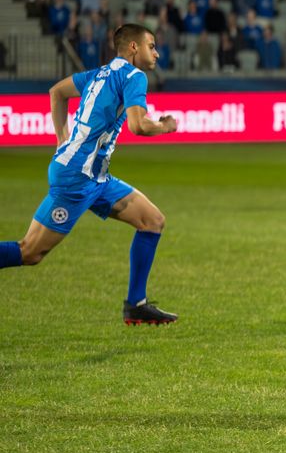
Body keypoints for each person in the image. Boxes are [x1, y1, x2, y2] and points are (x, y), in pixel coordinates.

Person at [0, 24, 179, 324]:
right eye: (151, 45)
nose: (156, 52)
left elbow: (56, 92)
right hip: (77, 179)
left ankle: (136, 305)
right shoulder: (135, 76)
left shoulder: (99, 73)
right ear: (134, 48)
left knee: (152, 221)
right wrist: (166, 126)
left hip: (95, 178)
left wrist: (62, 139)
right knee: (30, 252)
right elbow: (139, 125)